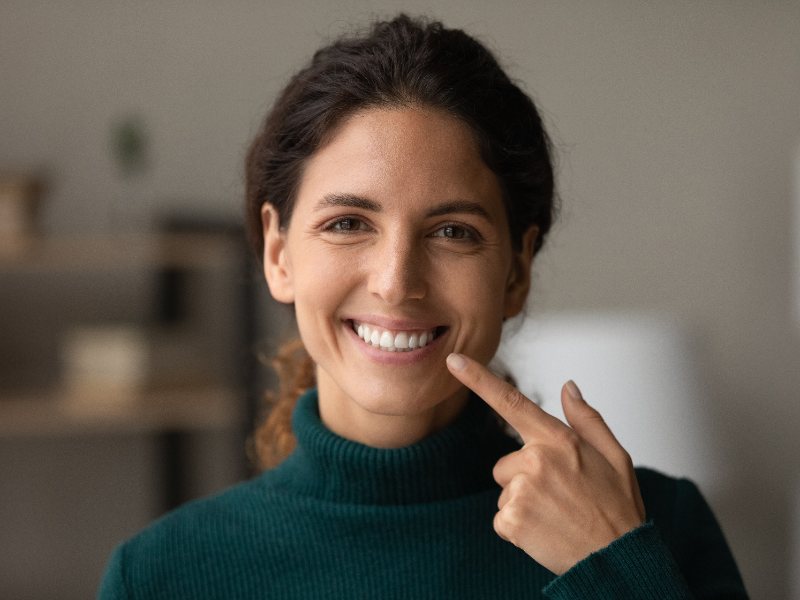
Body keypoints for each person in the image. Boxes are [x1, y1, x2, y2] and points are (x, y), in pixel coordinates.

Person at [98, 14, 748, 599]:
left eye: (453, 232)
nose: (395, 281)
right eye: (349, 223)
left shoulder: (658, 532)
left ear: (517, 270)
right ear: (278, 253)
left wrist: (614, 572)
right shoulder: (161, 575)